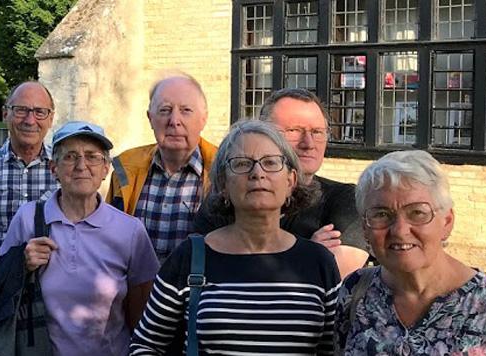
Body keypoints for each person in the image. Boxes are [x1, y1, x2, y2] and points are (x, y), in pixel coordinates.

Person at [131, 120, 339, 355]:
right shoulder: (191, 258)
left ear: (290, 181)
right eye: (242, 164)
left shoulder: (318, 262)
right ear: (223, 184)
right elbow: (145, 345)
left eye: (270, 163)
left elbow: (331, 351)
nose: (257, 173)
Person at [335, 150, 486, 354]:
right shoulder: (355, 292)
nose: (399, 230)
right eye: (381, 214)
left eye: (417, 212)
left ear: (447, 221)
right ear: (365, 227)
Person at [0, 121, 159, 356]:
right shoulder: (28, 219)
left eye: (92, 157)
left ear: (105, 169)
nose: (81, 165)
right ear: (54, 168)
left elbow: (141, 313)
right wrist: (20, 263)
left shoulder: (130, 231)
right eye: (70, 157)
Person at [195, 88, 368, 278]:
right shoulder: (226, 200)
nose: (309, 143)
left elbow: (333, 278)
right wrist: (308, 254)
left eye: (318, 132)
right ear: (262, 135)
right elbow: (203, 272)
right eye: (293, 130)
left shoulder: (346, 201)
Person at [108, 73, 218, 260]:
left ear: (204, 119)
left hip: (199, 288)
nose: (174, 121)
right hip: (137, 289)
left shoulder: (223, 173)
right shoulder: (125, 170)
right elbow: (109, 240)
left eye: (185, 110)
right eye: (165, 110)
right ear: (150, 118)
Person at [0, 81, 60, 245]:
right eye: (21, 110)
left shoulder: (64, 168)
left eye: (40, 112)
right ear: (4, 115)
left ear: (50, 119)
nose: (30, 121)